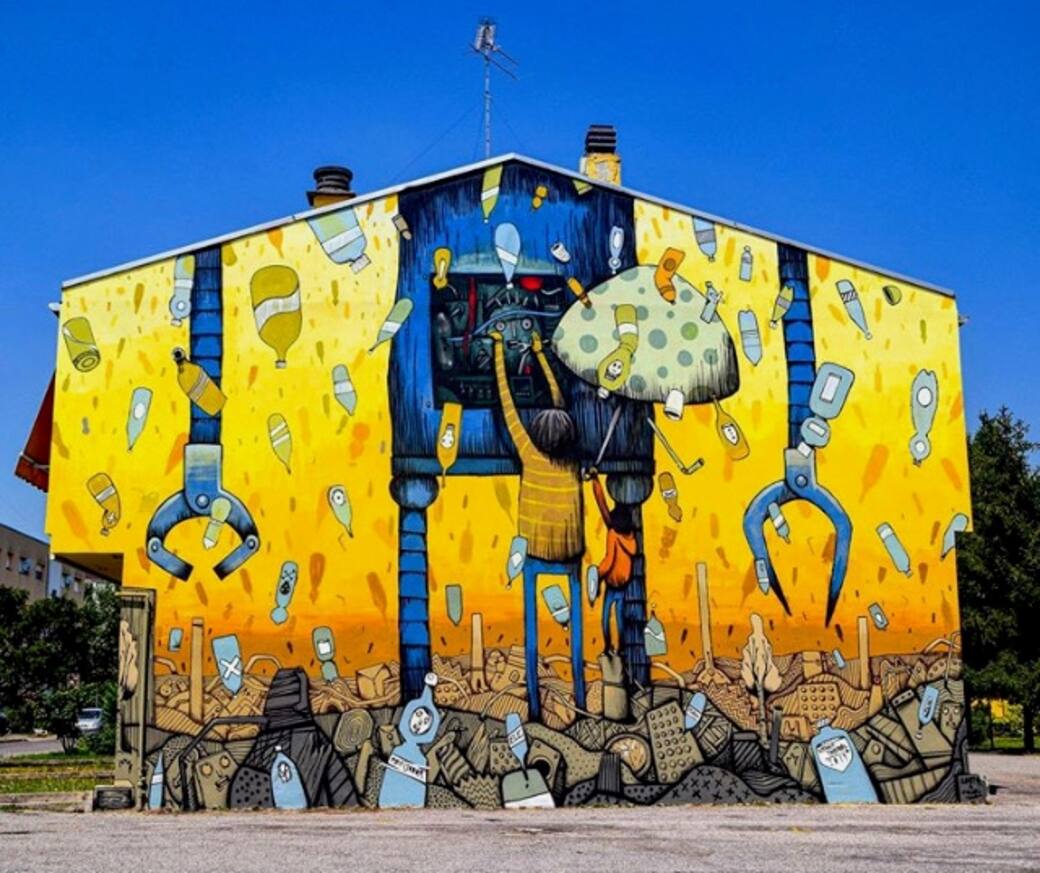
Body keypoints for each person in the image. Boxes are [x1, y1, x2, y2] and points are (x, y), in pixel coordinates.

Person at [489, 328, 585, 721]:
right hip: (572, 552)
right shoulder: (572, 463)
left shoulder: (530, 455)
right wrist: (541, 354)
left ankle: (533, 704)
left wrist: (499, 349)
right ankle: (580, 698)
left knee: (531, 631)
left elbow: (507, 404)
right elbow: (559, 401)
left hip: (535, 552)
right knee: (576, 634)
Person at [587, 470, 637, 653]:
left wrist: (597, 574)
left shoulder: (613, 535)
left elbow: (609, 561)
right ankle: (621, 648)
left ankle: (608, 647)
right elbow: (603, 506)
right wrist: (596, 482)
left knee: (606, 618)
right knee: (620, 619)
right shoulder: (631, 538)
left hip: (612, 585)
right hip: (623, 585)